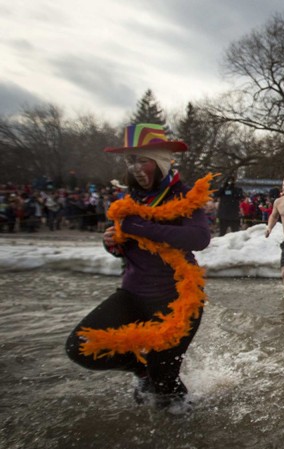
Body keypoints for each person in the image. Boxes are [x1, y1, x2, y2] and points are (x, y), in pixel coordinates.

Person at [65, 123, 212, 412]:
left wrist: (142, 228)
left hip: (177, 299)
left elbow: (199, 238)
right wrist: (112, 242)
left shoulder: (184, 196)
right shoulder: (128, 200)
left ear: (159, 160)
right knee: (79, 346)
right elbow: (125, 243)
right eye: (130, 160)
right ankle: (141, 371)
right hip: (133, 294)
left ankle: (187, 435)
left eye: (141, 159)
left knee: (164, 384)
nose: (135, 167)